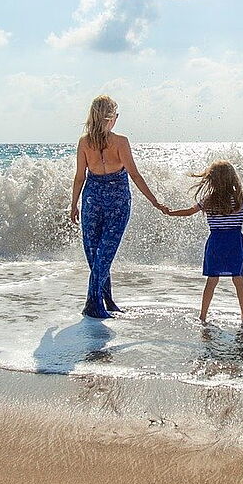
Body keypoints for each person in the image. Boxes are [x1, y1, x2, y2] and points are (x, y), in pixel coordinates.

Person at [69, 95, 168, 319]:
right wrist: (154, 201)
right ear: (113, 117)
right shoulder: (120, 141)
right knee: (102, 255)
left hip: (92, 200)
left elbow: (79, 177)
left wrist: (74, 204)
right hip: (116, 202)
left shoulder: (85, 142)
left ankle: (104, 301)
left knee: (98, 255)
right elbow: (134, 174)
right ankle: (96, 303)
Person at [165, 160, 243, 321]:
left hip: (216, 243)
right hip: (235, 244)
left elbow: (188, 212)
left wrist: (170, 212)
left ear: (211, 180)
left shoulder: (208, 200)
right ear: (233, 178)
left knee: (212, 280)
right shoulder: (241, 199)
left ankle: (203, 316)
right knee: (238, 279)